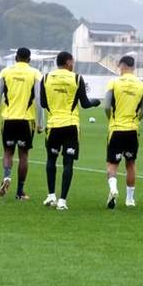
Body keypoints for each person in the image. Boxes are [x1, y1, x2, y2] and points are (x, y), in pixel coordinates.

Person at [39, 51, 101, 210]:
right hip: (71, 126)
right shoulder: (76, 78)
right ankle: (62, 201)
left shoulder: (45, 78)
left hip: (53, 125)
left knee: (51, 159)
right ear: (67, 62)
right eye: (72, 62)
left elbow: (44, 104)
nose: (73, 65)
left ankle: (51, 195)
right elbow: (85, 103)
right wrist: (96, 102)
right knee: (68, 162)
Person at [0, 47, 43, 200]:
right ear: (29, 59)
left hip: (8, 119)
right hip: (26, 121)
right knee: (24, 155)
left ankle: (7, 176)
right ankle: (20, 191)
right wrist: (40, 123)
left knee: (8, 151)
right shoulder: (35, 74)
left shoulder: (5, 72)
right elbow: (39, 100)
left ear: (16, 58)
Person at [103, 55, 143, 209]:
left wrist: (111, 119)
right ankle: (130, 199)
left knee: (112, 164)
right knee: (131, 164)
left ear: (121, 66)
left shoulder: (114, 82)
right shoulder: (142, 85)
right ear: (133, 67)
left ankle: (113, 188)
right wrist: (137, 119)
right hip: (132, 130)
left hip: (116, 128)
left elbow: (107, 106)